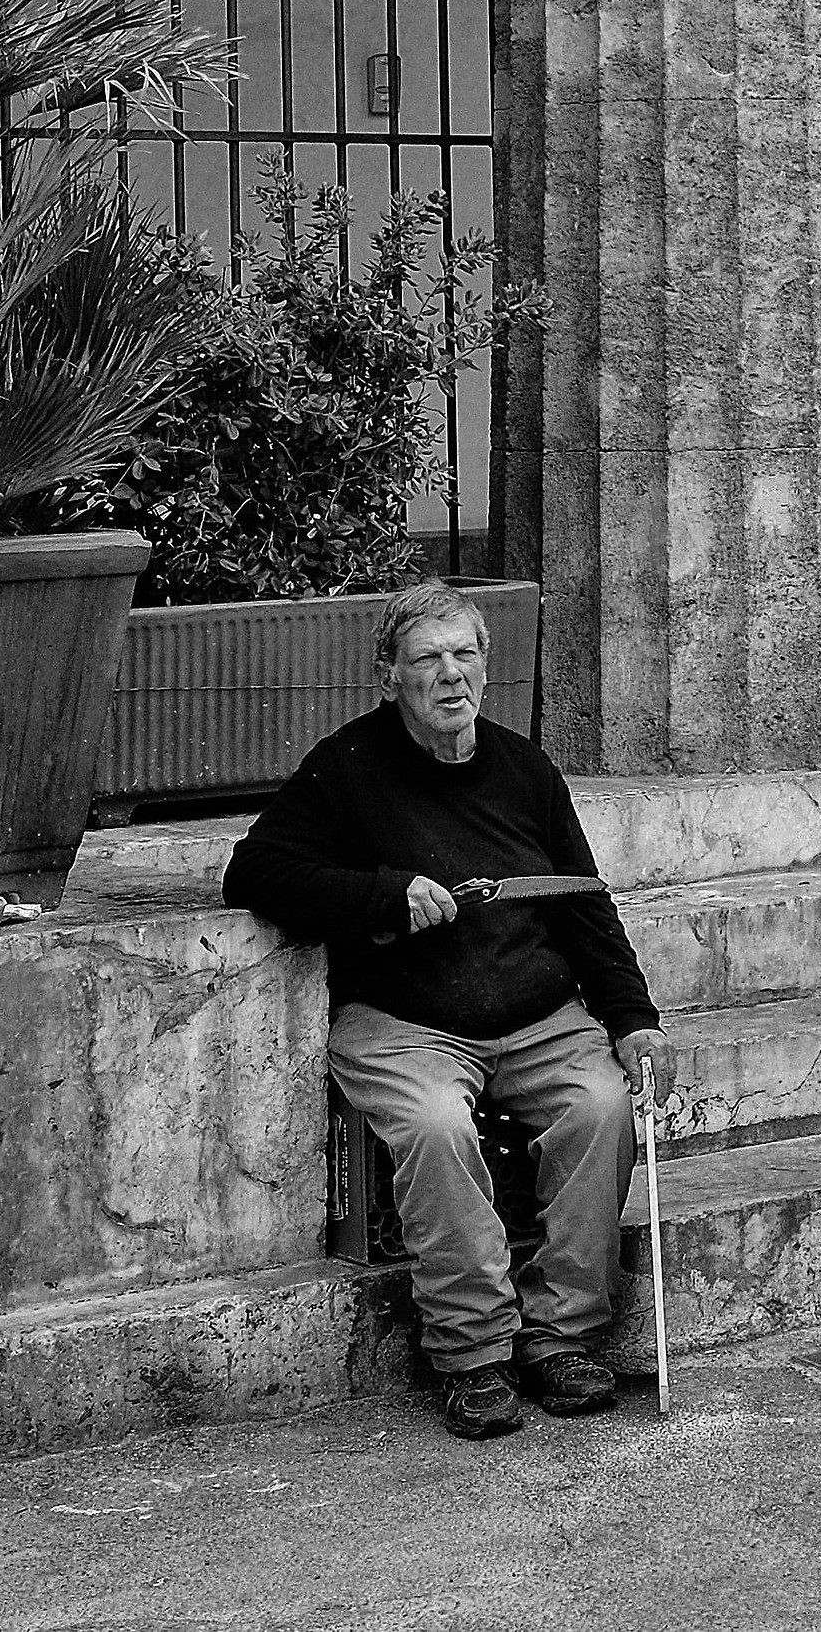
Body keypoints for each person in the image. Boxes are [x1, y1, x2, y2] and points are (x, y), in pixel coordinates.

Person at [223, 580, 678, 1439]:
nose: (450, 673)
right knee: (435, 1125)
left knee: (605, 1104)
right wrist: (385, 896)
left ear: (486, 664)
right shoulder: (344, 767)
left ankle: (562, 1336)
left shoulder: (525, 768)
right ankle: (472, 1352)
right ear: (388, 673)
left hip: (537, 1013)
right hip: (404, 1020)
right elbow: (254, 873)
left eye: (464, 653)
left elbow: (584, 902)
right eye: (427, 657)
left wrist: (634, 1018)